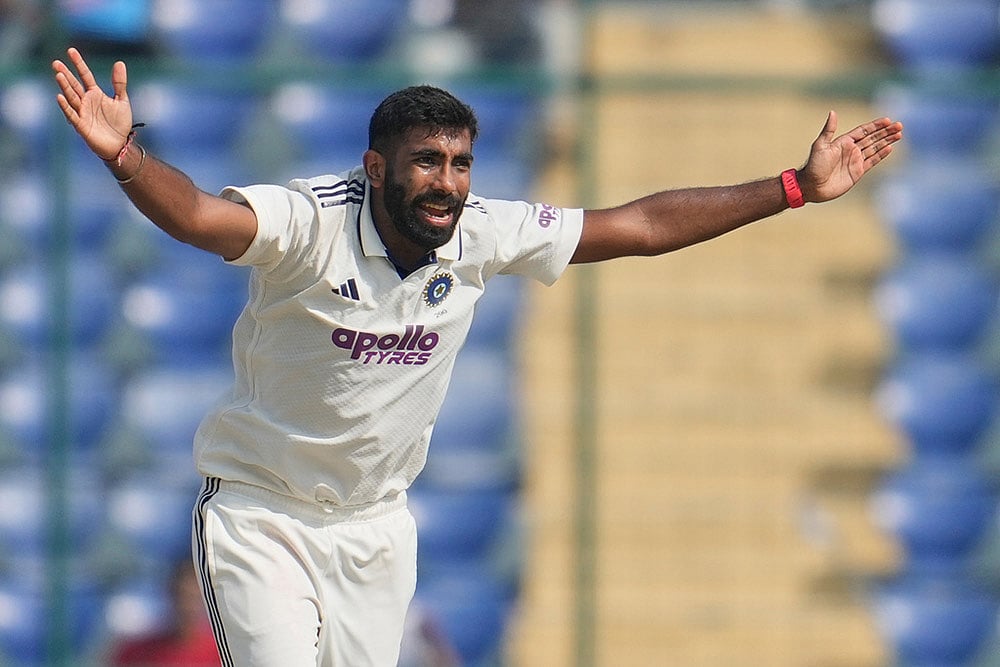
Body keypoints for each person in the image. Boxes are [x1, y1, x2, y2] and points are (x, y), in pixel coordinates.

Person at [51, 47, 902, 667]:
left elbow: (639, 227)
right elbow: (201, 217)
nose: (448, 183)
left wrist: (791, 187)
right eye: (427, 162)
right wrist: (126, 157)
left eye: (460, 163)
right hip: (262, 515)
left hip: (375, 527)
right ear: (376, 165)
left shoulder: (483, 232)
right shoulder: (310, 220)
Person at [109, 560, 221, 667]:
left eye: (194, 596)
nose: (188, 605)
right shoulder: (136, 653)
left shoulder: (221, 652)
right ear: (171, 594)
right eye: (183, 594)